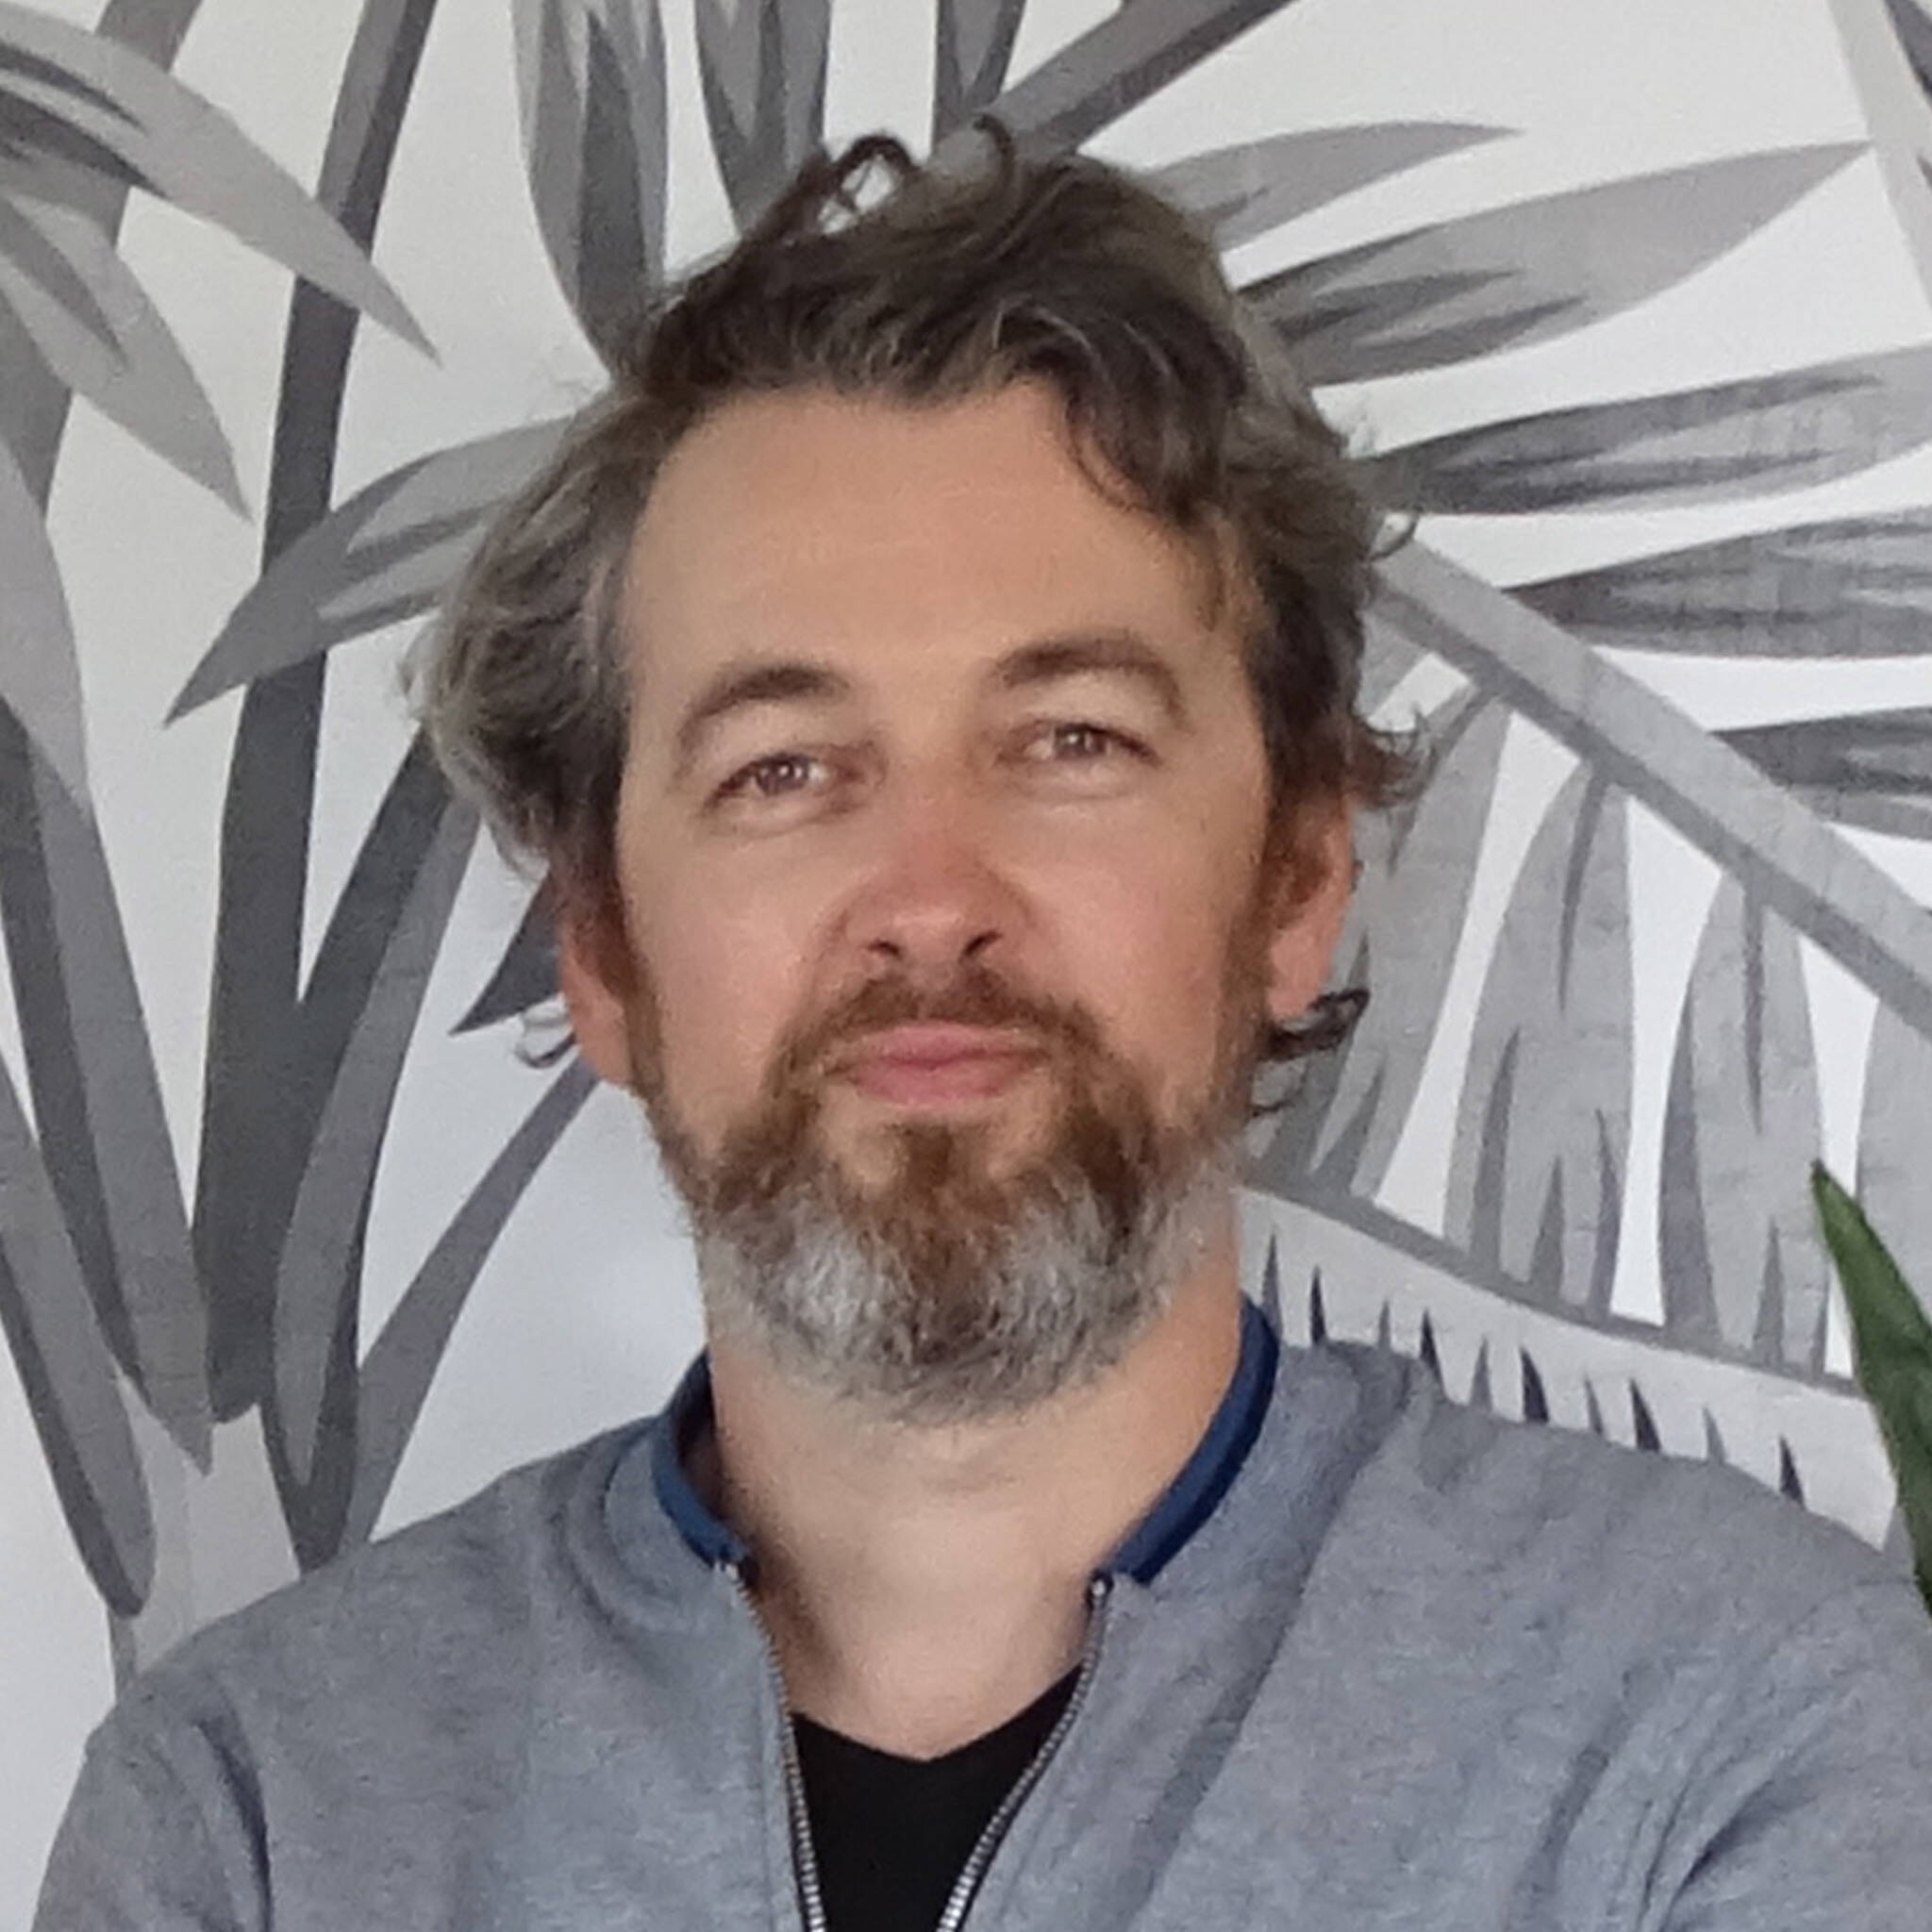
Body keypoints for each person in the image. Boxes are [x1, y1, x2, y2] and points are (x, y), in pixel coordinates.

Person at [36, 128, 1932, 1932]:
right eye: (785, 767)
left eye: (1070, 740)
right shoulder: (259, 1813)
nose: (930, 892)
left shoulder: (1727, 1721)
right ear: (602, 951)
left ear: (1294, 880)